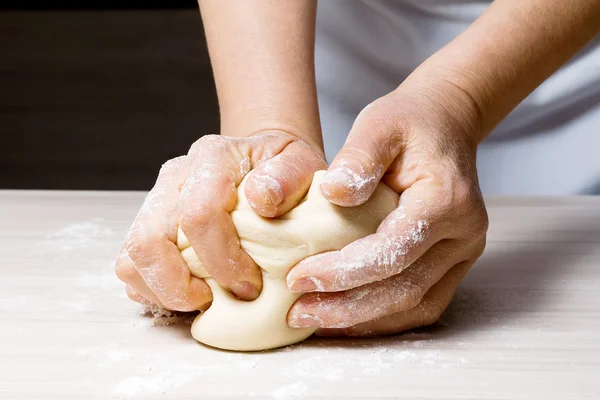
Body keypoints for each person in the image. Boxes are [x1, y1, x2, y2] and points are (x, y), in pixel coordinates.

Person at [116, 0, 600, 337]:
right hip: (305, 35)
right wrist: (269, 122)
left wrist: (458, 96)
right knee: (312, 205)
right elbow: (273, 151)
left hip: (570, 71)